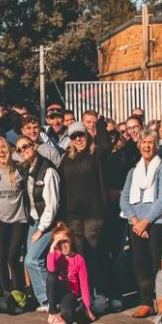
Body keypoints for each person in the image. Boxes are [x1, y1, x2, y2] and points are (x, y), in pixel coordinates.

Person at [59, 119, 116, 307]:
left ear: (87, 135)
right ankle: (83, 294)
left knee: (93, 251)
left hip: (94, 212)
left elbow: (107, 145)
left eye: (80, 135)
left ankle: (100, 293)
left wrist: (99, 124)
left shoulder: (96, 154)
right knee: (79, 253)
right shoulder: (66, 159)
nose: (78, 139)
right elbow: (62, 186)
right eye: (74, 136)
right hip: (73, 214)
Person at [120, 133, 162, 318]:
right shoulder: (132, 172)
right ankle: (145, 301)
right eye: (144, 142)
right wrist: (135, 221)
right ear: (139, 145)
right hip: (136, 225)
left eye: (151, 142)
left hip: (156, 223)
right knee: (140, 263)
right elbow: (124, 199)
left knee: (157, 262)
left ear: (156, 146)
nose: (147, 146)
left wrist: (146, 221)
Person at [20, 133, 61, 314]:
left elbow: (52, 205)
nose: (23, 151)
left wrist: (42, 229)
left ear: (34, 146)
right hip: (33, 221)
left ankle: (49, 300)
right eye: (20, 149)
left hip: (48, 223)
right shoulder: (26, 169)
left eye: (26, 146)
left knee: (32, 260)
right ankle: (47, 299)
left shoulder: (48, 170)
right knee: (35, 261)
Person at [0, 135, 30, 311]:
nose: (1, 151)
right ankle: (6, 295)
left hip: (18, 219)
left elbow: (26, 156)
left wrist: (15, 154)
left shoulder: (19, 168)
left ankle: (19, 293)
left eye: (3, 147)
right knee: (0, 259)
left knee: (13, 257)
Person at [45, 224, 95, 324]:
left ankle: (64, 314)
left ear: (71, 240)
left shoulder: (79, 259)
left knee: (68, 314)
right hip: (56, 290)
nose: (63, 245)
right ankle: (52, 312)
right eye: (59, 243)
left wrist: (87, 308)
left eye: (65, 241)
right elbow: (51, 269)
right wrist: (52, 249)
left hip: (69, 293)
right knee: (51, 276)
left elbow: (84, 285)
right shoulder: (56, 255)